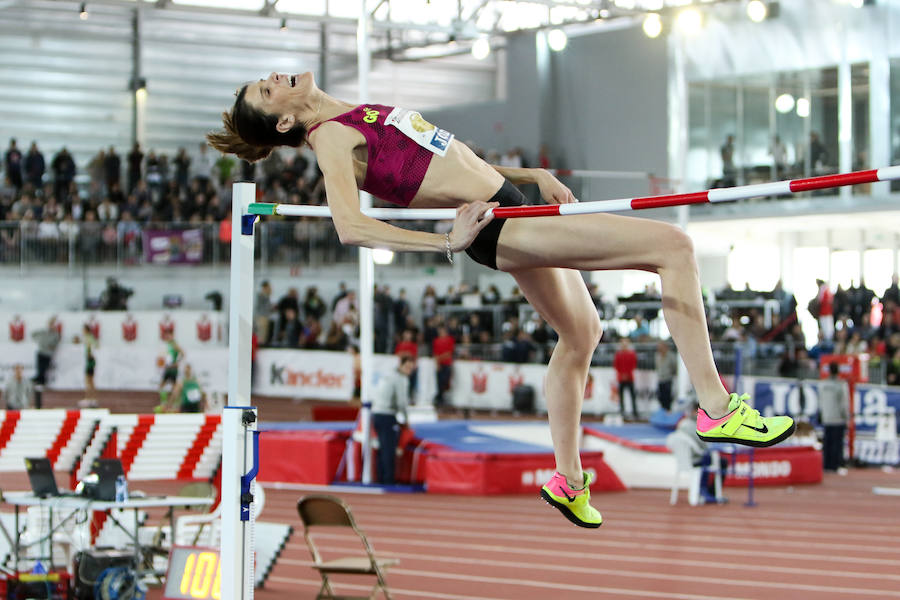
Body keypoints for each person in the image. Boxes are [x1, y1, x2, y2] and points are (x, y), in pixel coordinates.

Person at [208, 71, 795, 528]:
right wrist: (446, 242)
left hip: (512, 202)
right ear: (285, 123)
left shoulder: (352, 112)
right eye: (268, 91)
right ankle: (716, 407)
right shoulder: (331, 137)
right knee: (675, 247)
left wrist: (531, 174)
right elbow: (350, 227)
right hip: (501, 225)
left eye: (267, 79)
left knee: (582, 334)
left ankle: (567, 480)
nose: (276, 78)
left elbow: (453, 160)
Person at [371, 354, 416, 485]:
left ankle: (380, 477)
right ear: (400, 365)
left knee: (382, 447)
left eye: (411, 368)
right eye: (407, 367)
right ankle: (388, 480)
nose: (408, 371)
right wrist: (406, 419)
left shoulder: (388, 374)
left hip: (377, 413)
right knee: (389, 449)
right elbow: (401, 402)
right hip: (387, 415)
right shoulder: (401, 379)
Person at [818, 363, 849, 473]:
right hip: (838, 418)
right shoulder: (841, 384)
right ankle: (835, 465)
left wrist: (822, 414)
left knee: (827, 442)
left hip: (826, 417)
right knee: (837, 443)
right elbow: (843, 403)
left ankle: (826, 465)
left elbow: (820, 401)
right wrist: (846, 417)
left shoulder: (822, 384)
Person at [31, 316, 61, 409]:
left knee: (44, 368)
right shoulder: (44, 332)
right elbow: (34, 334)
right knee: (39, 367)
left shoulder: (55, 334)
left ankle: (42, 382)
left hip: (47, 353)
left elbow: (55, 343)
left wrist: (50, 346)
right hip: (41, 351)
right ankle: (39, 380)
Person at [613, 337, 638, 420]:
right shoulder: (618, 354)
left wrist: (626, 374)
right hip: (621, 378)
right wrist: (622, 374)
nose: (624, 345)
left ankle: (635, 412)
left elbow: (633, 365)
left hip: (629, 378)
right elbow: (616, 365)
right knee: (621, 396)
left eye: (625, 343)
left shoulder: (632, 354)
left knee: (632, 396)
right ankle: (622, 411)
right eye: (622, 343)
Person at [157, 331, 183, 411]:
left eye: (169, 336)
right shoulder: (168, 345)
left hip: (173, 369)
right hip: (168, 368)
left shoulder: (174, 344)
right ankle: (165, 403)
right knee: (162, 386)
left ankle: (174, 404)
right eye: (166, 336)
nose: (167, 337)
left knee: (174, 387)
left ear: (172, 336)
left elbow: (182, 353)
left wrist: (177, 363)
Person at [655, 341, 678, 412]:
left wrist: (672, 373)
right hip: (660, 378)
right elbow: (657, 366)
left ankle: (668, 410)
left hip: (668, 378)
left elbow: (674, 366)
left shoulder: (671, 356)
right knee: (660, 396)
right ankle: (662, 409)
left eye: (661, 347)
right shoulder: (657, 356)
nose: (659, 348)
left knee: (668, 396)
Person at [83, 324, 98, 402]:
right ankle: (92, 398)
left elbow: (91, 348)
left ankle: (89, 398)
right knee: (90, 380)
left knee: (88, 380)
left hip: (90, 360)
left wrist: (89, 355)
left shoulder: (88, 338)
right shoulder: (90, 337)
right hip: (91, 360)